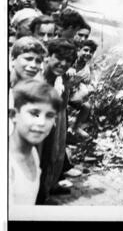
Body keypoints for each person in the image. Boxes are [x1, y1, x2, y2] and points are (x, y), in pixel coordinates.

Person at [9, 79, 62, 206]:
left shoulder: (32, 152)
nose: (41, 122)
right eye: (34, 113)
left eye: (49, 116)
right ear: (13, 115)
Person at [36, 38, 77, 204]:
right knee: (40, 157)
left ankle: (49, 186)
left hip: (56, 117)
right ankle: (38, 196)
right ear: (48, 56)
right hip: (39, 121)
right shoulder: (38, 76)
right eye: (59, 58)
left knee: (56, 154)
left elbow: (63, 104)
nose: (63, 63)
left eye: (68, 60)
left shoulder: (60, 78)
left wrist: (66, 84)